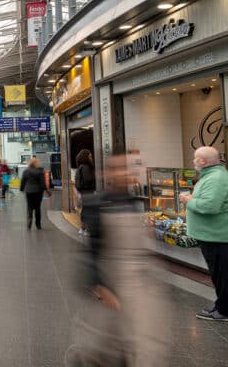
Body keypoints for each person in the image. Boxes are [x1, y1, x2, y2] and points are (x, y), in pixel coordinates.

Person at [68, 154, 170, 366]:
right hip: (111, 281)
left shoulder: (133, 203)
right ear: (107, 174)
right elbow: (91, 251)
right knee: (103, 341)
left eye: (126, 169)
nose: (124, 173)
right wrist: (100, 285)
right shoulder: (98, 204)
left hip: (136, 283)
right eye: (118, 169)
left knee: (140, 338)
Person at [180, 146, 228, 321]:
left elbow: (209, 206)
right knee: (218, 274)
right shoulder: (212, 176)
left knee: (222, 274)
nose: (193, 161)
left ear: (203, 161)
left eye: (195, 158)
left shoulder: (215, 178)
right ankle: (221, 305)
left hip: (217, 236)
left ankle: (224, 311)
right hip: (211, 235)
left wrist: (188, 200)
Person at [20, 157, 49, 230]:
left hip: (29, 191)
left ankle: (29, 220)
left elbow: (23, 181)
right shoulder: (40, 171)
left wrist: (21, 189)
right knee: (37, 208)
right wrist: (46, 191)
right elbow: (43, 183)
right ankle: (38, 225)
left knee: (29, 207)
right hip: (38, 192)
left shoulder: (26, 171)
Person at [75, 149, 96, 237]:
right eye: (90, 156)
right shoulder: (86, 167)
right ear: (86, 157)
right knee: (88, 210)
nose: (91, 158)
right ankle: (87, 229)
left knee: (84, 210)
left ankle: (82, 228)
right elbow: (88, 179)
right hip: (88, 191)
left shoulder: (80, 167)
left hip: (82, 191)